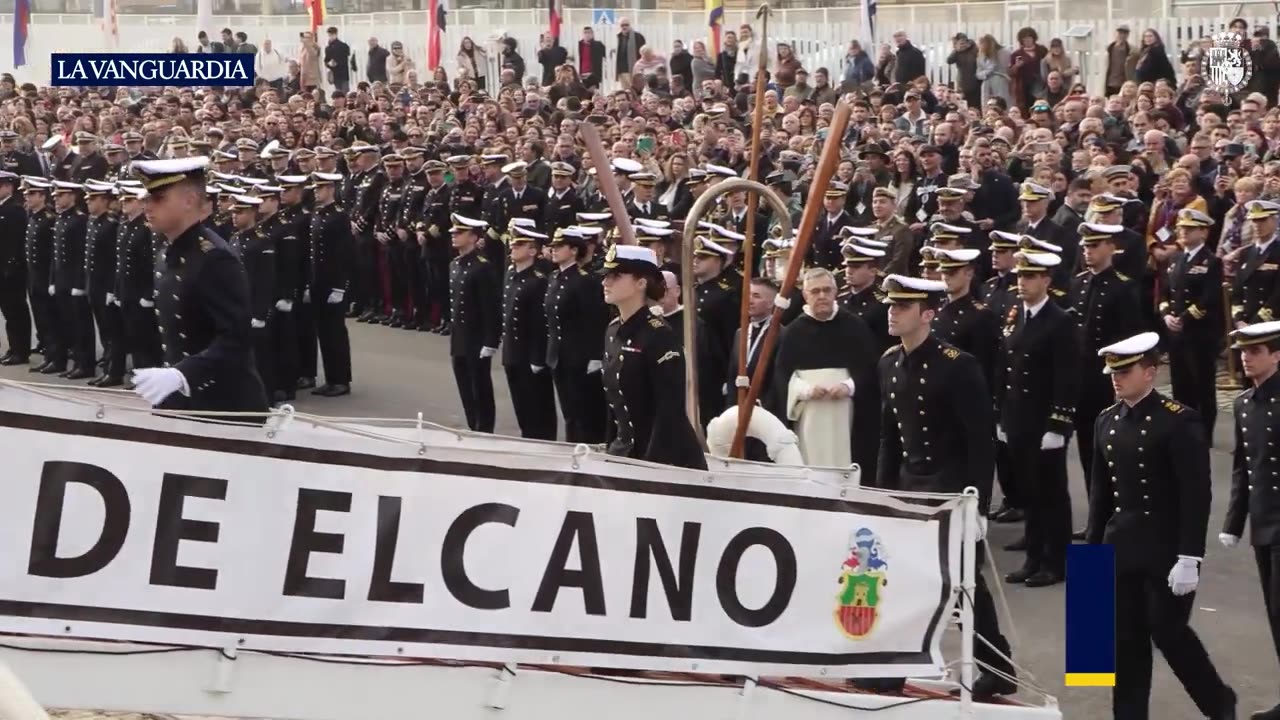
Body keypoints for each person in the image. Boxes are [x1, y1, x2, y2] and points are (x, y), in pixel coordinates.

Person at [873, 272, 1017, 699]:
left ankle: (997, 666)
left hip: (952, 491)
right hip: (910, 487)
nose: (892, 313)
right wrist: (883, 496)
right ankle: (894, 666)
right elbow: (889, 438)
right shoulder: (888, 363)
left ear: (928, 314)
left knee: (963, 584)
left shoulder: (958, 365)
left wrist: (979, 506)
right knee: (902, 580)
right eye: (890, 305)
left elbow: (980, 441)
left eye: (902, 307)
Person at [1087, 332, 1238, 720]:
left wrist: (1190, 556)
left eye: (1125, 371)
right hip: (1120, 545)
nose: (1115, 379)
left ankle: (1218, 702)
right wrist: (1091, 555)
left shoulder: (1178, 420)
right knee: (1123, 642)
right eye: (1112, 372)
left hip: (1166, 550)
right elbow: (1101, 497)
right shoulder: (1106, 420)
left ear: (1151, 372)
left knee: (1169, 633)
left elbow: (1195, 495)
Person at [127, 157, 267, 414]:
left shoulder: (214, 257)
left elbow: (236, 338)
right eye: (147, 198)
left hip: (221, 404)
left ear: (189, 200)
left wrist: (183, 375)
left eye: (158, 198)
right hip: (182, 395)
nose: (146, 205)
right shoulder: (166, 248)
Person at [997, 250, 1077, 587]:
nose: (1022, 283)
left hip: (1044, 421)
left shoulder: (1060, 321)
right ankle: (1033, 557)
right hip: (1018, 418)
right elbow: (1007, 367)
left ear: (1046, 280)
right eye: (1019, 277)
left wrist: (1058, 424)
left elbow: (1067, 378)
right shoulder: (1017, 315)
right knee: (1029, 492)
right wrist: (1002, 416)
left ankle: (1055, 560)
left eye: (1029, 277)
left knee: (1051, 494)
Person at [600, 244, 706, 469]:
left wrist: (650, 467)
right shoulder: (612, 331)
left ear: (641, 283)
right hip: (624, 453)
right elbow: (615, 404)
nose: (605, 282)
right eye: (606, 276)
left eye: (616, 276)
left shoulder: (659, 335)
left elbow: (669, 411)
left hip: (663, 459)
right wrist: (610, 451)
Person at [770, 267, 880, 474]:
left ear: (835, 292)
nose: (822, 296)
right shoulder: (793, 332)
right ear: (804, 295)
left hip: (846, 417)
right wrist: (805, 390)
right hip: (810, 415)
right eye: (815, 291)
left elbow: (870, 369)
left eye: (827, 290)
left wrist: (849, 386)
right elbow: (782, 375)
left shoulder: (855, 326)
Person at [1160, 208, 1224, 438]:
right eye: (1180, 228)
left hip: (1199, 333)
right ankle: (1182, 427)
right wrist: (1166, 314)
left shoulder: (1211, 261)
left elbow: (1209, 298)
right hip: (1176, 333)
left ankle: (1204, 432)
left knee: (1202, 384)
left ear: (1203, 232)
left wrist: (1184, 318)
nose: (1183, 232)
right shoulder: (1175, 258)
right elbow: (1165, 293)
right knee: (1180, 383)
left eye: (1189, 228)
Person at [502, 224, 556, 440]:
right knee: (521, 404)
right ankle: (527, 436)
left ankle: (541, 441)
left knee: (537, 405)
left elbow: (540, 324)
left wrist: (537, 357)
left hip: (529, 354)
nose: (513, 247)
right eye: (513, 242)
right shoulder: (510, 275)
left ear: (533, 251)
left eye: (520, 244)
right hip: (512, 352)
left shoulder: (538, 281)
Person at [304, 171, 355, 398]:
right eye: (315, 188)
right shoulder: (317, 214)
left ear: (331, 189)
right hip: (318, 281)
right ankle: (331, 378)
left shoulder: (339, 216)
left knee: (335, 332)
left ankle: (341, 379)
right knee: (323, 331)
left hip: (333, 282)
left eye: (320, 188)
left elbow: (345, 254)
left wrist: (340, 286)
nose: (316, 191)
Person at [0, 171, 30, 367]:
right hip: (2, 269)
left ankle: (22, 350)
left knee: (16, 311)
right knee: (8, 312)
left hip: (12, 270)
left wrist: (12, 266)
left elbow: (17, 243)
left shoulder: (15, 210)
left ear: (8, 186)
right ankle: (13, 347)